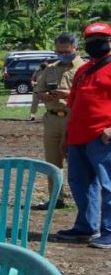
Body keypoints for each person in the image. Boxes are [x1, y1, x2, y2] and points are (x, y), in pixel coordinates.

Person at [55, 22, 111, 249]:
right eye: (89, 40)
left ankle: (109, 230)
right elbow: (74, 105)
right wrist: (66, 136)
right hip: (78, 137)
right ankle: (86, 227)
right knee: (80, 183)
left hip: (103, 136)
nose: (93, 44)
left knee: (108, 185)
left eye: (99, 39)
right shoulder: (83, 70)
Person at [30, 33, 85, 209]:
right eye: (59, 51)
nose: (62, 54)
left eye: (66, 51)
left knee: (77, 161)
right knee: (52, 162)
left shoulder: (83, 69)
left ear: (76, 49)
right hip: (52, 118)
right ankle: (56, 199)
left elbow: (89, 96)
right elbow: (38, 89)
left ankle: (83, 200)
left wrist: (69, 95)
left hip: (75, 118)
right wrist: (43, 95)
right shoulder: (50, 68)